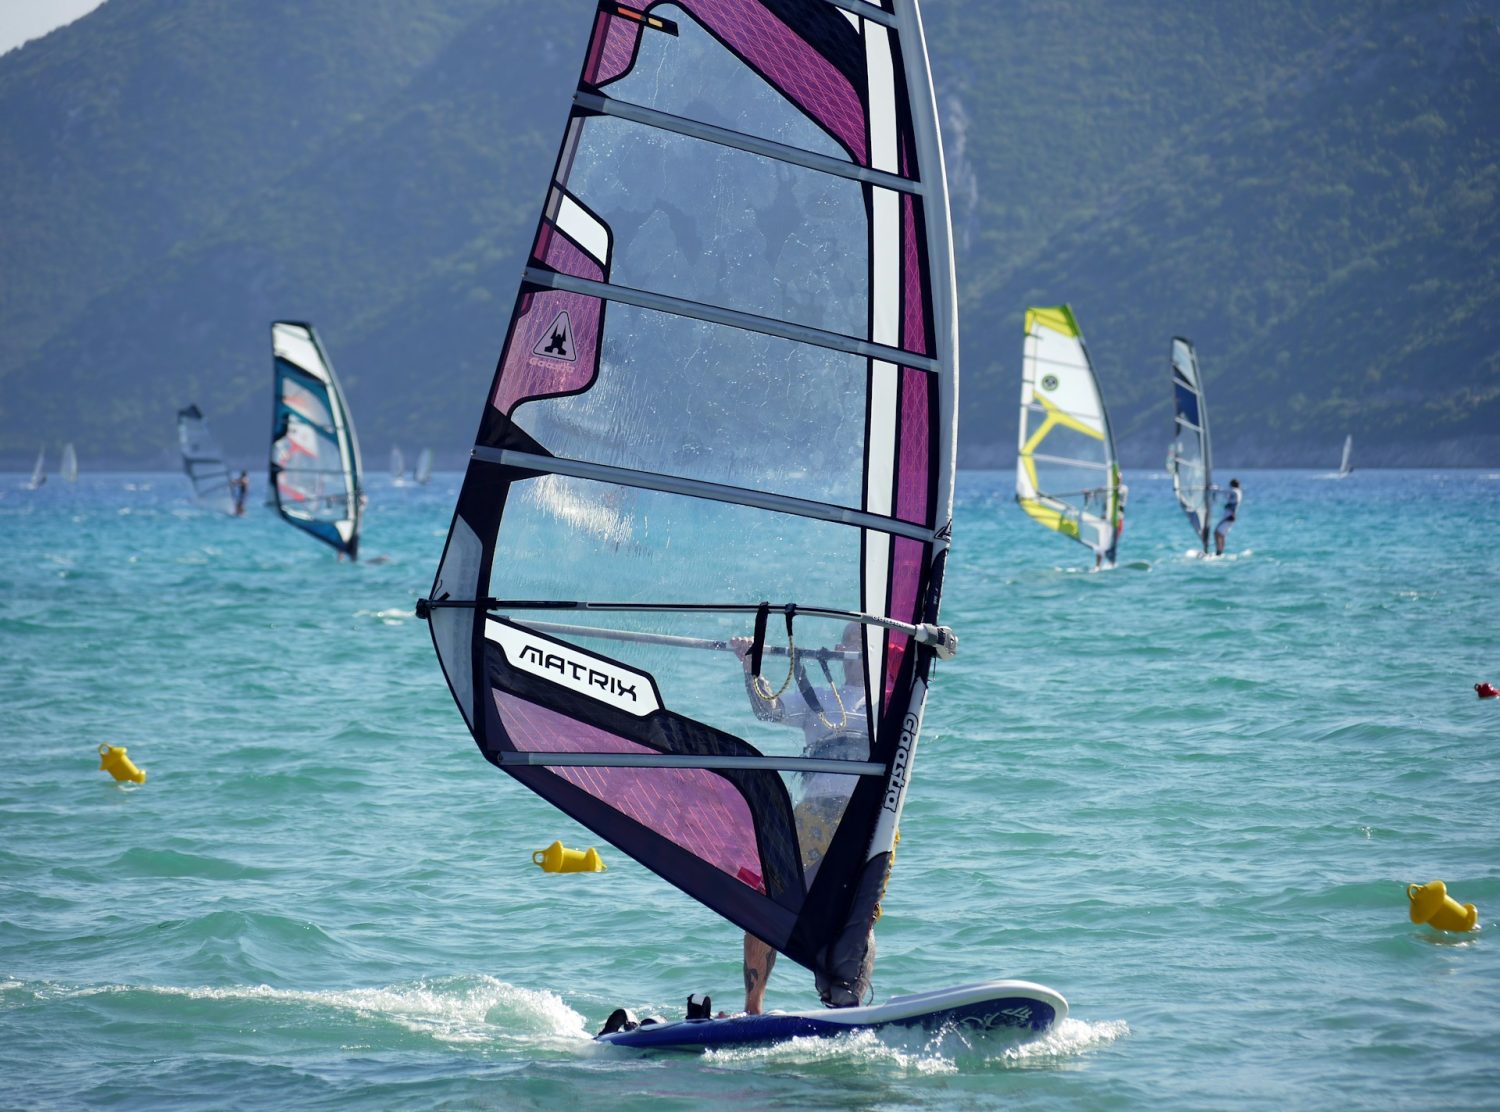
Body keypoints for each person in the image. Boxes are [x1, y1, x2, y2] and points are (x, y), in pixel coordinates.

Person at [732, 621, 871, 1014]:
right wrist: (751, 666)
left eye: (865, 642)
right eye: (850, 641)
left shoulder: (889, 699)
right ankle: (752, 1007)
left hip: (866, 817)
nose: (856, 648)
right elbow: (768, 711)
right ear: (837, 648)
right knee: (767, 896)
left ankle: (849, 1003)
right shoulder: (821, 695)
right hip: (816, 813)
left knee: (858, 912)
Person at [1214, 478, 1242, 555]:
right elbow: (1226, 494)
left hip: (1229, 516)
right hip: (1229, 516)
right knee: (1221, 534)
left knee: (1217, 533)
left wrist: (1213, 488)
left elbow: (1224, 491)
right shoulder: (1237, 492)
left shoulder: (1235, 491)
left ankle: (1218, 552)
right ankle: (1220, 552)